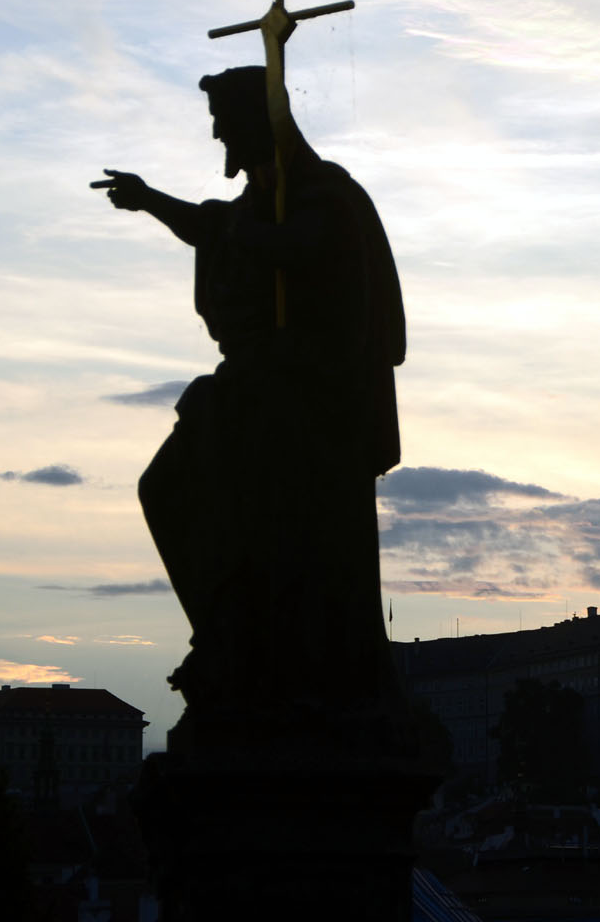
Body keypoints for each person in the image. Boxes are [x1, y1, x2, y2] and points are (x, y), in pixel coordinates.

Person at [94, 66, 404, 736]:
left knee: (283, 534)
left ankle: (266, 654)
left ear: (256, 124)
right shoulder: (260, 203)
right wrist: (149, 200)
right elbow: (214, 227)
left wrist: (239, 236)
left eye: (223, 123)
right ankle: (229, 633)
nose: (215, 135)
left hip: (308, 407)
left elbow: (295, 248)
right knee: (167, 488)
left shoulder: (325, 195)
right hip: (251, 394)